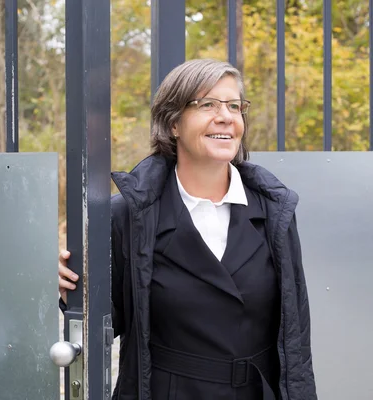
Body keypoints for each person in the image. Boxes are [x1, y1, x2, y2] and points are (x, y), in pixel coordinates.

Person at [58, 58, 317, 400]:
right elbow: (107, 323)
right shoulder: (128, 215)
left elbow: (296, 336)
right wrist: (71, 292)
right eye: (207, 104)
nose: (225, 116)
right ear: (173, 124)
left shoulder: (275, 211)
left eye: (234, 106)